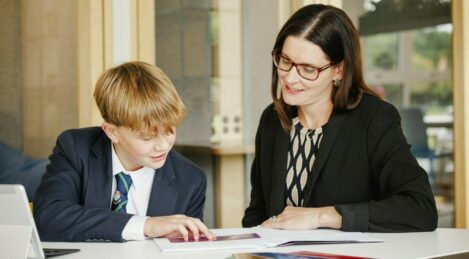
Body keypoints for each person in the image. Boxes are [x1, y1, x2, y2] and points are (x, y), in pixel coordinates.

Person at [242, 4, 437, 232]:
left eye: (307, 68)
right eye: (285, 61)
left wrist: (323, 216)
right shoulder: (272, 120)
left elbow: (420, 207)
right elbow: (257, 212)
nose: (290, 78)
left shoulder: (373, 118)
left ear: (339, 70)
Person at [34, 61, 215, 242]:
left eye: (170, 131)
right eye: (147, 137)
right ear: (112, 132)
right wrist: (145, 225)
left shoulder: (191, 180)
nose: (163, 146)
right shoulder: (75, 148)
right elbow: (48, 219)